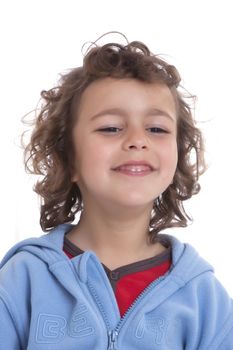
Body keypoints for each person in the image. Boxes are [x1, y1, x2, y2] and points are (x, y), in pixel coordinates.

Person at [0, 32, 232, 350]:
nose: (138, 140)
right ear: (68, 158)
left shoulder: (207, 301)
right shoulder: (20, 281)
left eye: (157, 129)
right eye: (111, 127)